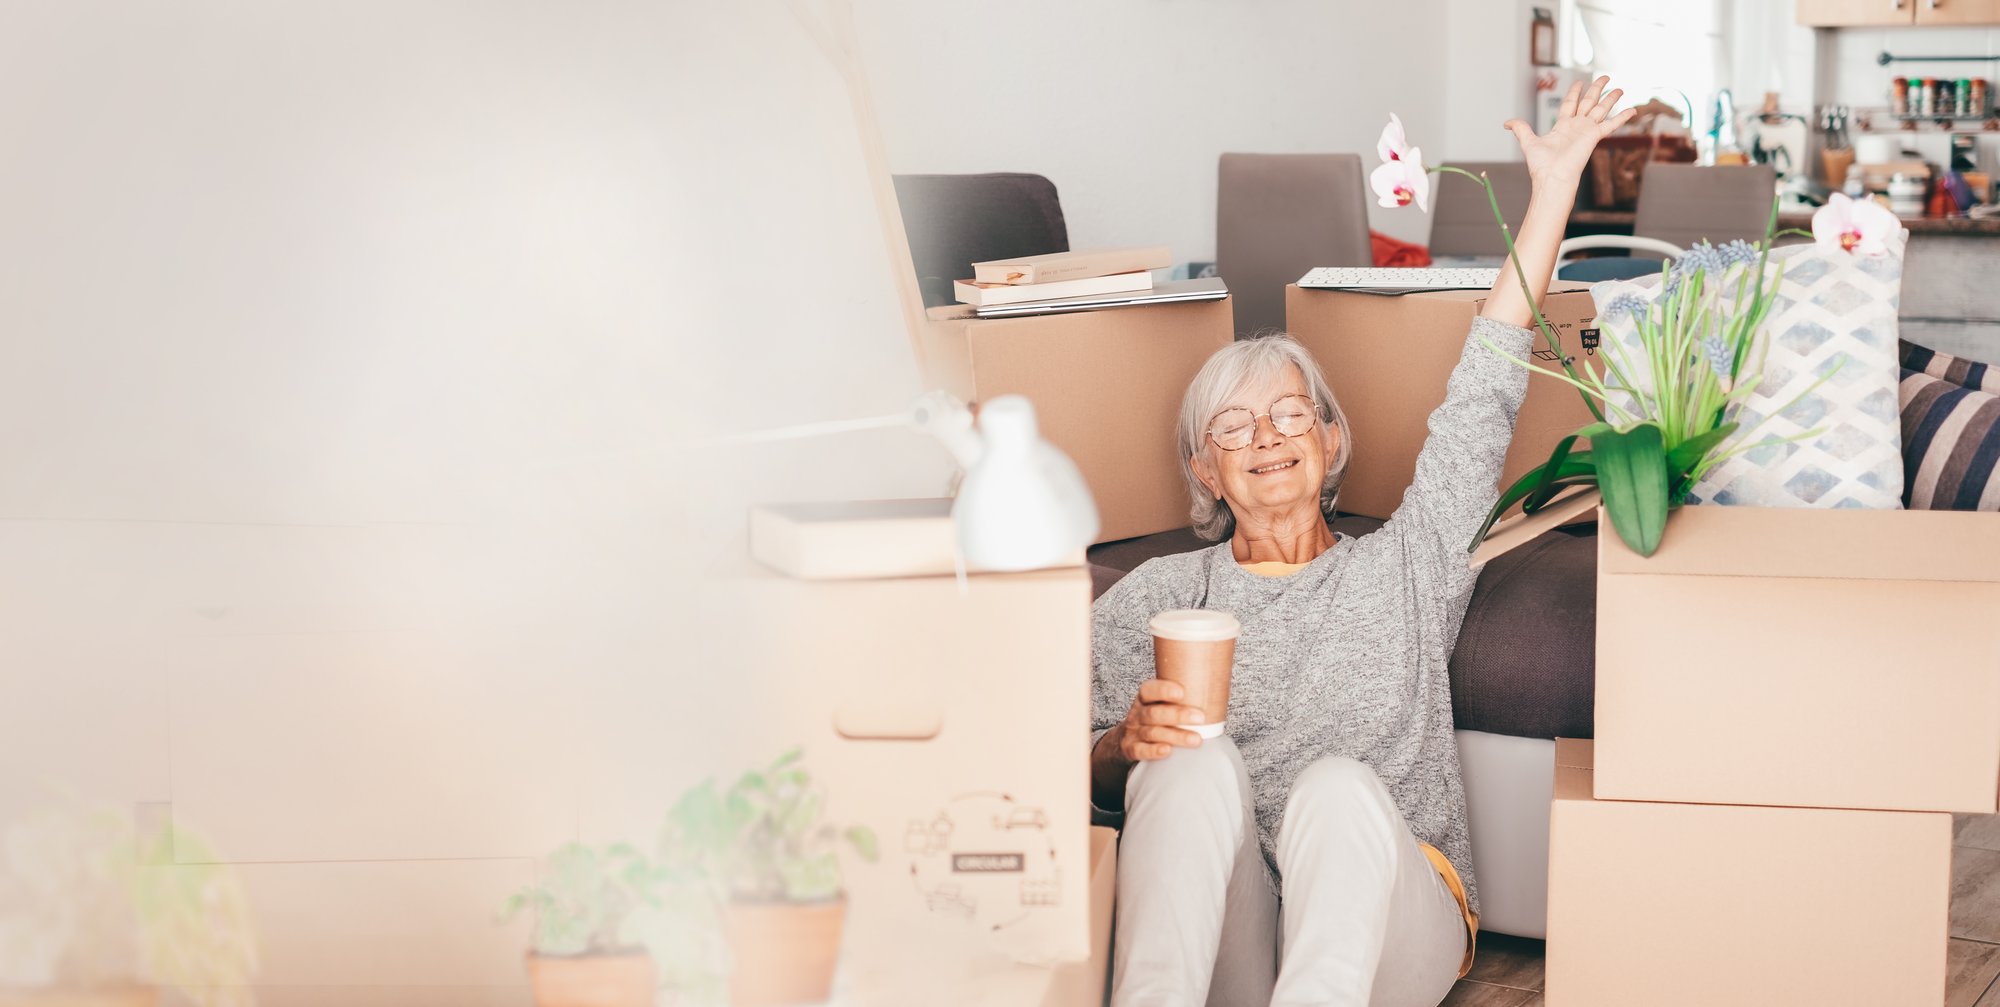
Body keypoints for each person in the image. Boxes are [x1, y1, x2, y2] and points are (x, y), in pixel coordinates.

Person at [1088, 77, 1635, 1007]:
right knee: (1184, 762)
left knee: (1338, 787)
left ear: (1332, 440)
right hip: (1242, 931)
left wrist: (1553, 191)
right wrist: (1123, 745)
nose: (1264, 437)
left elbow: (1488, 387)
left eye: (1289, 413)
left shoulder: (1407, 564)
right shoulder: (1154, 597)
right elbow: (1046, 756)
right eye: (1232, 427)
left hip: (1393, 919)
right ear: (1203, 471)